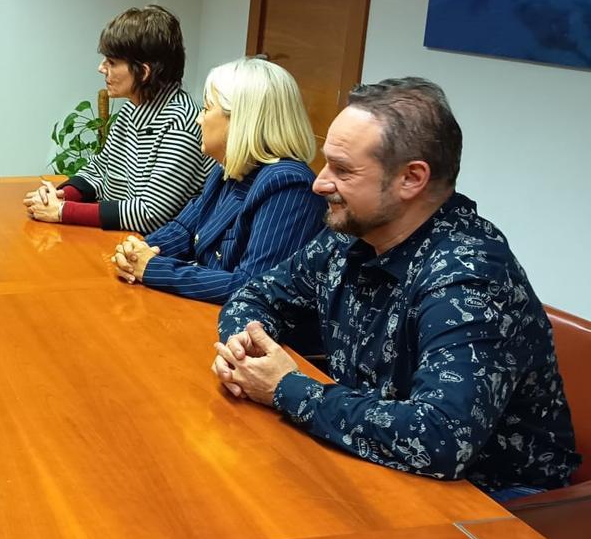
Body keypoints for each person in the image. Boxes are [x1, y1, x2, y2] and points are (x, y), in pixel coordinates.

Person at [210, 78, 581, 498]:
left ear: (411, 179)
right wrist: (244, 351)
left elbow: (440, 439)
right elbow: (257, 296)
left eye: (343, 169)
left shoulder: (469, 275)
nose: (319, 183)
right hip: (376, 461)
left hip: (493, 506)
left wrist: (286, 388)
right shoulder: (348, 234)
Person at [111, 57, 323, 303]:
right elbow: (184, 229)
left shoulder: (289, 185)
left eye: (206, 108)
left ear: (241, 119)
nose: (199, 119)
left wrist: (153, 268)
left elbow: (252, 286)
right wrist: (137, 251)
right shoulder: (229, 168)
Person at [24, 5, 215, 234]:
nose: (101, 68)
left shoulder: (181, 122)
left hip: (158, 253)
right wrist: (60, 195)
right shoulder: (131, 111)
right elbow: (100, 168)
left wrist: (62, 211)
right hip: (122, 241)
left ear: (144, 72)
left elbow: (150, 213)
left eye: (112, 63)